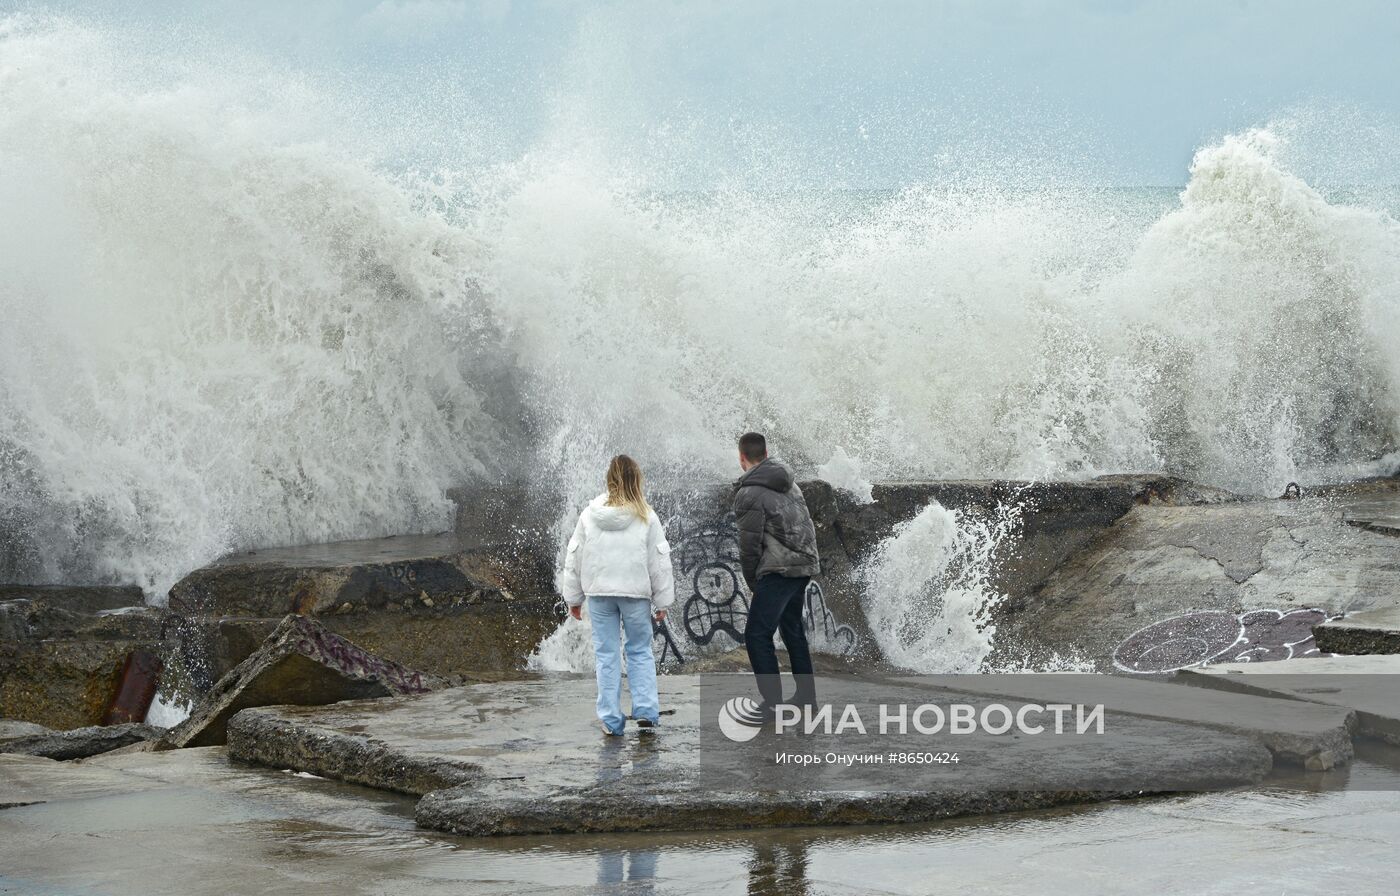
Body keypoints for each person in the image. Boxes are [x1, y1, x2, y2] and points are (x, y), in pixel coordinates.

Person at [561, 455, 675, 736]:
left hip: (599, 594)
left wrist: (573, 598)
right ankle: (647, 711)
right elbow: (659, 561)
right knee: (639, 651)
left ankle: (611, 721)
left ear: (609, 479)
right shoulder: (646, 515)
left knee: (606, 655)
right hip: (635, 594)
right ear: (636, 479)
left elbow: (574, 555)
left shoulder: (590, 514)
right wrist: (662, 601)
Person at [732, 432, 821, 711]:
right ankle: (807, 698)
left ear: (742, 458)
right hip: (803, 564)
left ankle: (771, 705)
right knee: (792, 629)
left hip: (779, 569)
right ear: (766, 453)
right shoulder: (789, 482)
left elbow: (749, 546)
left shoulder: (749, 492)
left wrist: (753, 583)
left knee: (757, 635)